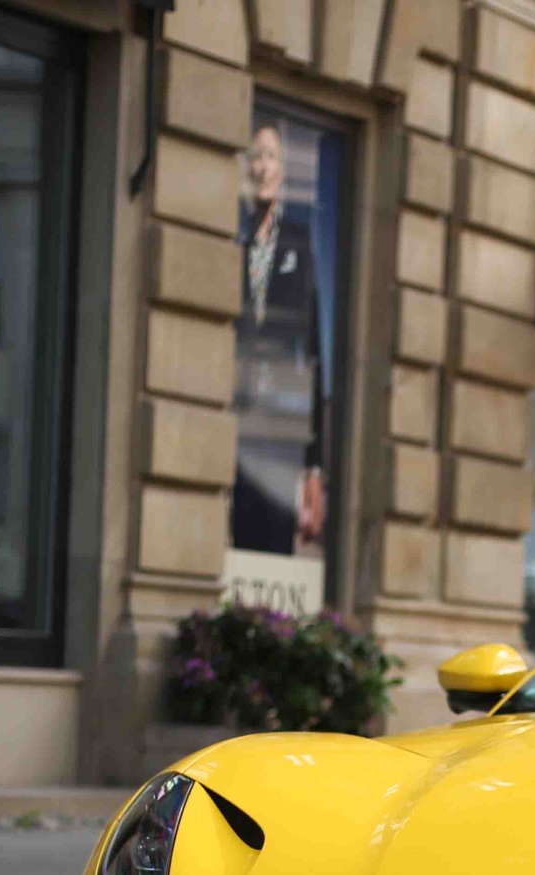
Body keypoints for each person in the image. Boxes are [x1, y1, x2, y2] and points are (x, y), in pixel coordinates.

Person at [232, 122, 327, 557]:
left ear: (283, 172)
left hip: (278, 441)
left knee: (269, 555)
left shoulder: (299, 242)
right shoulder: (231, 239)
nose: (262, 166)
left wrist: (313, 467)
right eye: (255, 156)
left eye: (270, 156)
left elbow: (313, 355)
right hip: (230, 428)